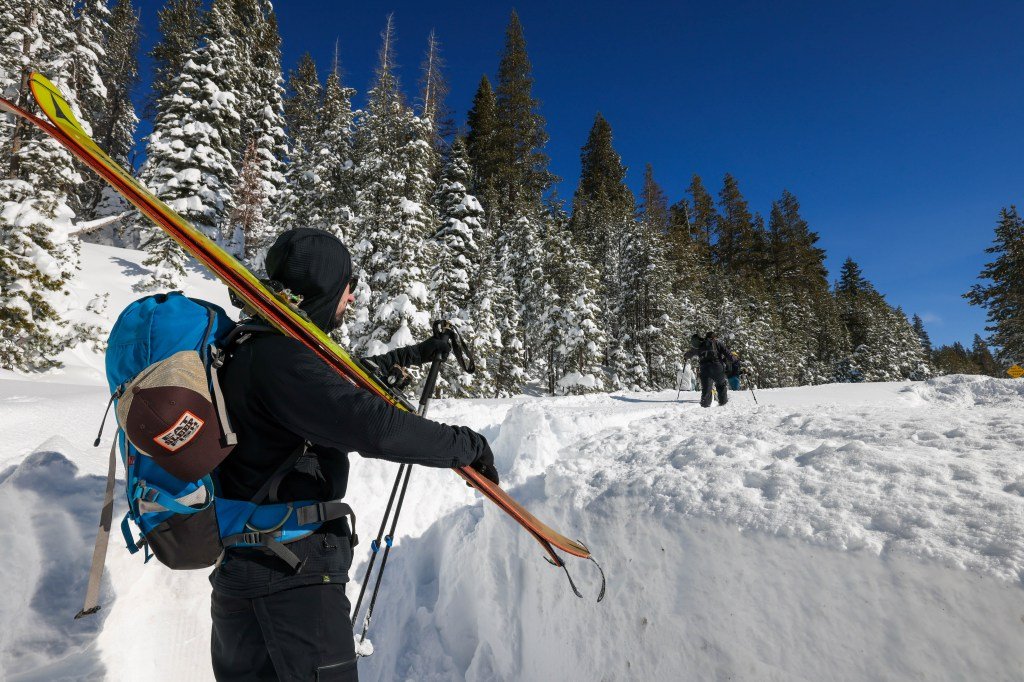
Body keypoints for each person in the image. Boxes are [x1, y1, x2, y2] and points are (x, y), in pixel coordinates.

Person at [211, 228, 499, 681]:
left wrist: (421, 352)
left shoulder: (257, 347)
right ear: (325, 285)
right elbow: (375, 427)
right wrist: (466, 444)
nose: (351, 296)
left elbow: (348, 378)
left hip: (248, 568)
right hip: (291, 573)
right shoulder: (283, 358)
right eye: (348, 283)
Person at [683, 331, 736, 408]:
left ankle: (705, 406)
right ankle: (723, 404)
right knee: (721, 385)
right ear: (714, 337)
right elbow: (728, 354)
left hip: (705, 369)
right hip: (717, 367)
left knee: (706, 389)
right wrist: (734, 360)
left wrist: (685, 356)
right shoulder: (718, 343)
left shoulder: (700, 345)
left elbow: (691, 352)